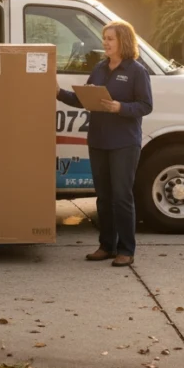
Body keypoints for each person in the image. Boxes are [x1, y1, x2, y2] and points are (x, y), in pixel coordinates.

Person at [56, 20, 152, 267]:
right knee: (104, 197)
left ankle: (126, 250)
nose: (105, 43)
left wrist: (120, 107)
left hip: (124, 143)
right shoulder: (99, 68)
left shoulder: (137, 71)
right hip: (98, 140)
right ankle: (106, 246)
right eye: (105, 38)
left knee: (121, 197)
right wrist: (58, 92)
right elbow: (83, 99)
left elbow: (145, 105)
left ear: (124, 41)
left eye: (110, 39)